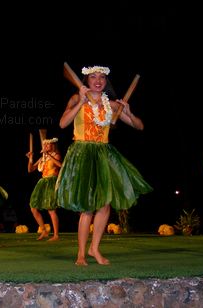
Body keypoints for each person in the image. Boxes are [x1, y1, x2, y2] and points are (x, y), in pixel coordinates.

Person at [57, 65, 152, 266]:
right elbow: (63, 124)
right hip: (82, 153)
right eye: (93, 77)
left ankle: (95, 248)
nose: (98, 80)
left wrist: (129, 112)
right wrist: (81, 101)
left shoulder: (112, 104)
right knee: (88, 205)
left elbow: (139, 126)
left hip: (103, 154)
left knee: (105, 204)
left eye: (102, 77)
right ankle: (81, 253)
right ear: (87, 81)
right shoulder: (77, 99)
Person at [26, 137, 62, 241]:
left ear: (53, 146)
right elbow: (30, 169)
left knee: (51, 209)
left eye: (47, 145)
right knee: (33, 208)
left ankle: (56, 235)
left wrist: (49, 155)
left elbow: (60, 165)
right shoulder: (43, 158)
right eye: (44, 145)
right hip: (42, 182)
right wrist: (31, 158)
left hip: (51, 182)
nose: (45, 147)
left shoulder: (56, 155)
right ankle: (44, 230)